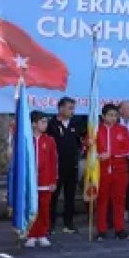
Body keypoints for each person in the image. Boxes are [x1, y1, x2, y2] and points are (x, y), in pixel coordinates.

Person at [94, 103, 129, 241]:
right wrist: (97, 154)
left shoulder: (122, 130)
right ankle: (101, 231)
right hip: (102, 171)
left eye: (115, 115)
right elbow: (89, 150)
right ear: (103, 116)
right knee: (102, 201)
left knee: (119, 201)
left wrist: (110, 154)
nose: (113, 118)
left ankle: (119, 229)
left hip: (120, 171)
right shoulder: (96, 130)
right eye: (110, 115)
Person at [47, 97, 85, 234]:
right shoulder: (51, 124)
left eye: (73, 108)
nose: (72, 111)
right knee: (53, 196)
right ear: (60, 108)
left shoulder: (77, 123)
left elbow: (82, 139)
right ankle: (49, 223)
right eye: (69, 108)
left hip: (72, 165)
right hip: (56, 166)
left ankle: (68, 223)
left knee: (70, 196)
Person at [25, 111, 57, 249]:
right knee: (31, 209)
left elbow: (54, 162)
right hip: (30, 182)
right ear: (33, 124)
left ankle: (42, 234)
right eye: (42, 122)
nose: (45, 125)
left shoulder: (49, 141)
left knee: (44, 209)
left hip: (45, 181)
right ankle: (31, 234)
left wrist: (53, 180)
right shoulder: (25, 140)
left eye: (46, 122)